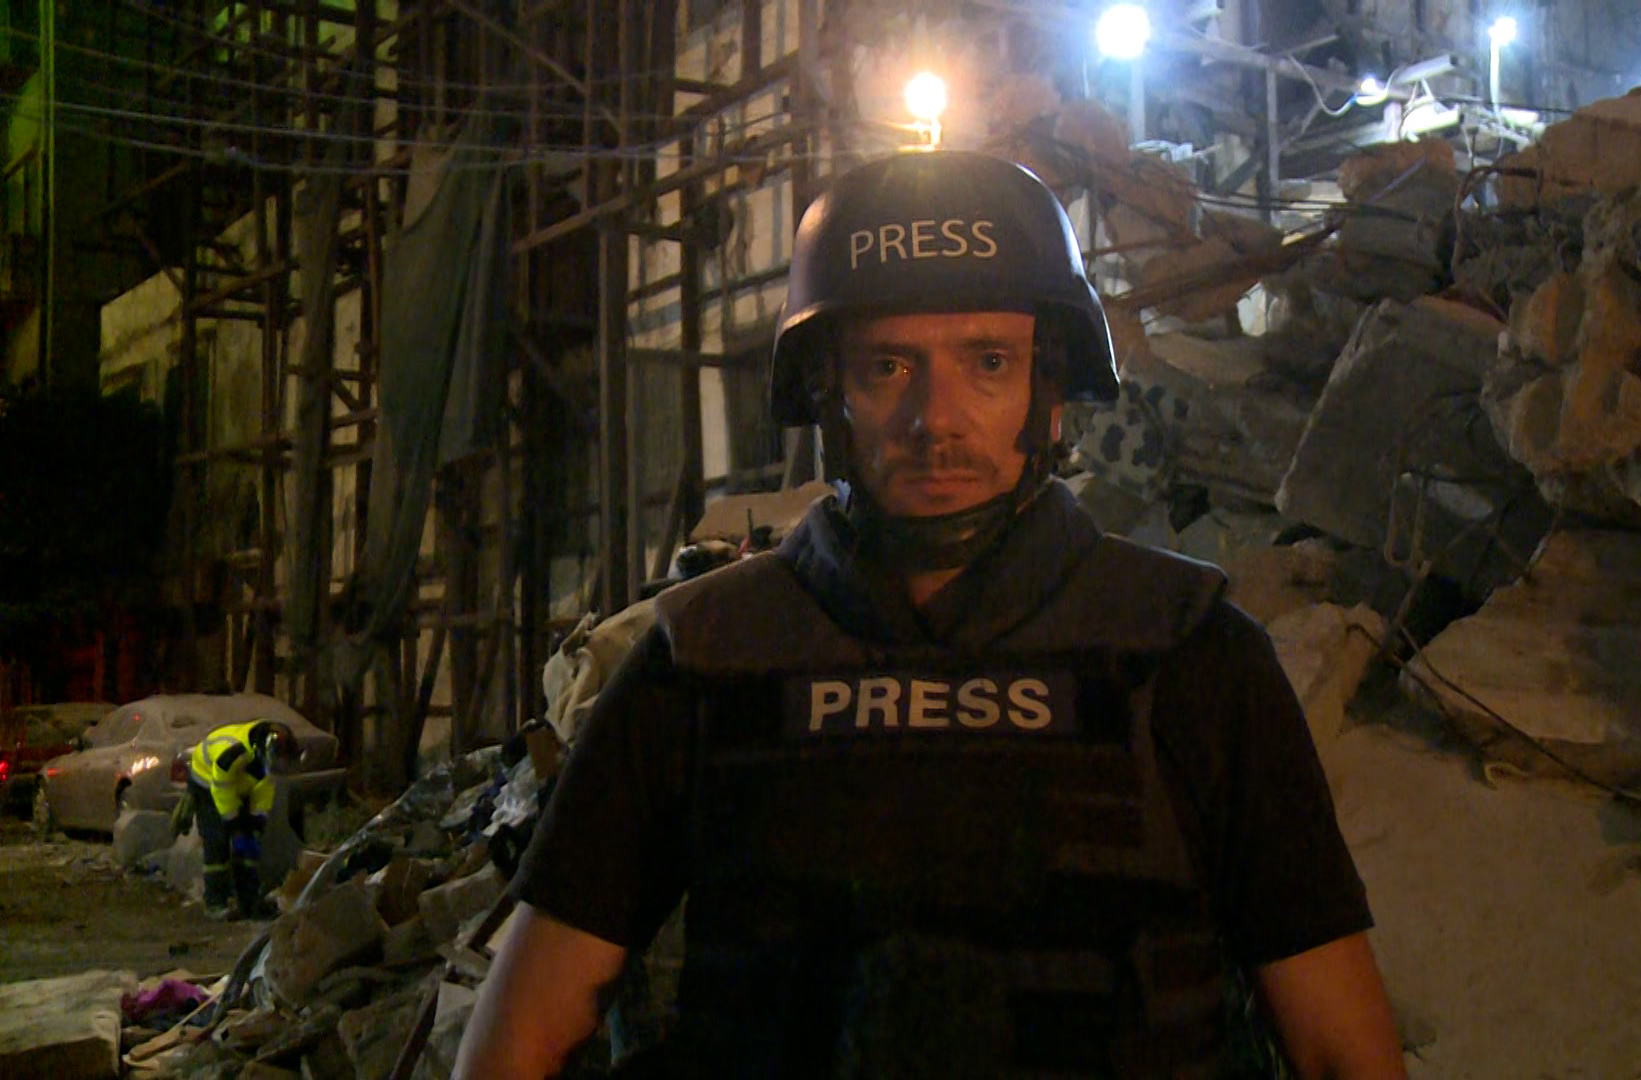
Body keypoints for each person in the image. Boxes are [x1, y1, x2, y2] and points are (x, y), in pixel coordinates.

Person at [456, 151, 1404, 1078]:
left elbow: (1340, 1047)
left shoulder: (1192, 653)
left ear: (1049, 388)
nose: (935, 419)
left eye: (988, 362)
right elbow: (516, 1040)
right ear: (828, 392)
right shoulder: (703, 659)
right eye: (887, 366)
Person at [186, 718, 296, 919]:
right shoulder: (232, 753)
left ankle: (248, 900)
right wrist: (233, 823)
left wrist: (257, 821)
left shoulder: (265, 758)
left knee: (250, 845)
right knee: (217, 842)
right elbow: (221, 788)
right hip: (207, 784)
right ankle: (215, 901)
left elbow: (264, 789)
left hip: (236, 784)